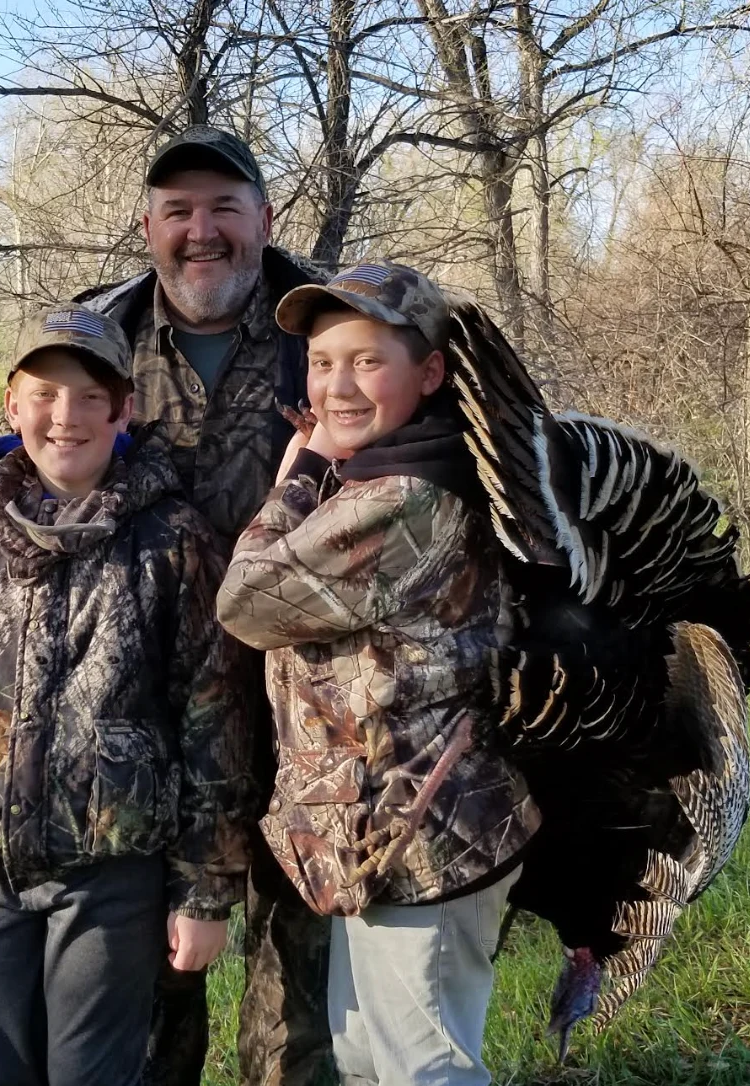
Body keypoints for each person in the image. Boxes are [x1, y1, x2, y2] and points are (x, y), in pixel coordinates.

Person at [0, 126, 335, 1086]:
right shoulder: (105, 327)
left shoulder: (324, 332)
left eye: (224, 208)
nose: (202, 232)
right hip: (139, 722)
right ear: (147, 225)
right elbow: (44, 439)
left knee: (300, 1000)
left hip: (304, 706)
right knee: (148, 1003)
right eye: (178, 212)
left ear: (265, 218)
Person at [0, 303, 256, 1086]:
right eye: (43, 393)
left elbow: (215, 722)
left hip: (111, 875)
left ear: (124, 410)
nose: (64, 416)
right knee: (2, 1070)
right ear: (12, 405)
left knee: (92, 1075)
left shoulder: (174, 541)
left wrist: (205, 890)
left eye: (88, 396)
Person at [216, 261, 539, 1086]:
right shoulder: (403, 469)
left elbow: (248, 603)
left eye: (367, 361)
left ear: (429, 372)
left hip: (425, 834)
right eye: (322, 363)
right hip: (384, 837)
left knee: (426, 1068)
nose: (337, 385)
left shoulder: (405, 495)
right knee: (368, 1061)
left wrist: (299, 476)